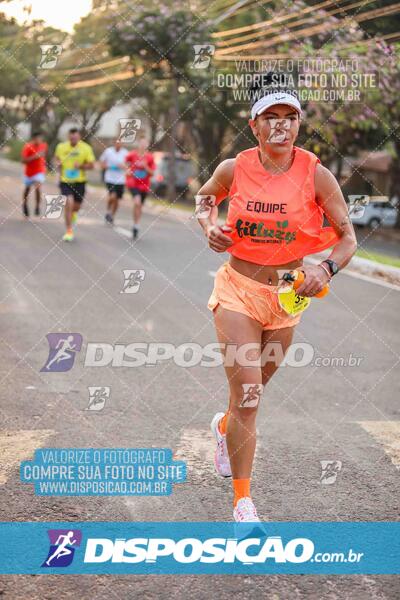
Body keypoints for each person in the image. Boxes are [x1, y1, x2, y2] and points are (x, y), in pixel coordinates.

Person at [196, 75, 357, 523]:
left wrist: (324, 268)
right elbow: (205, 198)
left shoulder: (317, 174)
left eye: (290, 118)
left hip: (286, 298)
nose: (281, 127)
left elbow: (348, 239)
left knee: (252, 389)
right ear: (255, 125)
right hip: (238, 290)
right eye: (272, 118)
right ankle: (243, 504)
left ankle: (224, 428)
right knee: (249, 395)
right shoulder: (235, 167)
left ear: (300, 125)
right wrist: (208, 225)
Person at [54, 128, 95, 242]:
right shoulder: (61, 147)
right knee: (68, 202)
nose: (73, 140)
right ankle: (69, 230)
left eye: (75, 138)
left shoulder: (86, 148)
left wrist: (81, 166)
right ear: (68, 137)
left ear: (79, 137)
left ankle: (74, 214)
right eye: (71, 138)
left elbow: (92, 165)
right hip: (65, 181)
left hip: (80, 181)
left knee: (76, 207)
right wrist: (58, 164)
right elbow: (56, 159)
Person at [125, 136, 155, 240]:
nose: (143, 145)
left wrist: (145, 166)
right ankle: (136, 225)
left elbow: (152, 173)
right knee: (137, 202)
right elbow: (125, 163)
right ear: (138, 144)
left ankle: (135, 225)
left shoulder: (150, 157)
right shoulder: (132, 154)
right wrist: (127, 170)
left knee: (140, 206)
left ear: (147, 145)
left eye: (145, 143)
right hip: (133, 183)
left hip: (144, 185)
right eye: (141, 143)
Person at [100, 138, 128, 224]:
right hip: (110, 178)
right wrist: (108, 167)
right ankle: (108, 211)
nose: (118, 144)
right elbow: (102, 163)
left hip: (121, 180)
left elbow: (129, 166)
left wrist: (123, 167)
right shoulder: (108, 151)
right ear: (114, 143)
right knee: (112, 196)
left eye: (120, 143)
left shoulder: (126, 153)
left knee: (117, 200)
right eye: (116, 143)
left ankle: (112, 215)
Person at [21, 131, 48, 218]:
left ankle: (37, 206)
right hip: (29, 173)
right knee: (27, 190)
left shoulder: (44, 145)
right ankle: (25, 205)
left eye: (41, 138)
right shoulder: (27, 147)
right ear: (33, 139)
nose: (39, 140)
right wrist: (35, 156)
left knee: (37, 186)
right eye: (37, 138)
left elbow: (44, 156)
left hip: (39, 171)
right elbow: (23, 161)